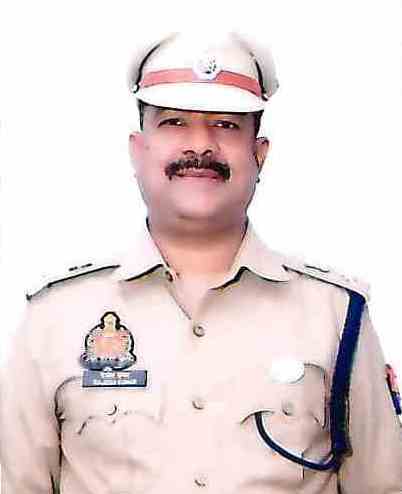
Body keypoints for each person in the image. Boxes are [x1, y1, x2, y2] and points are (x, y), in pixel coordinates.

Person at [1, 29, 401, 494]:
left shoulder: (336, 315)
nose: (201, 147)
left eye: (226, 125)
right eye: (174, 122)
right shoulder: (55, 318)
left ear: (259, 154)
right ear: (138, 150)